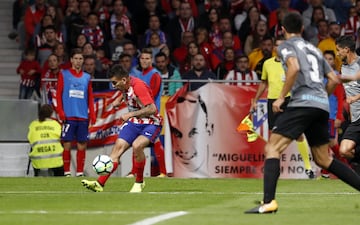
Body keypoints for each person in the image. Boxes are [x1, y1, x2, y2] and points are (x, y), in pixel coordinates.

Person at [245, 12, 360, 214]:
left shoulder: (286, 46)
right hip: (320, 106)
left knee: (272, 148)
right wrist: (322, 98)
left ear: (283, 29)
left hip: (301, 104)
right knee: (324, 160)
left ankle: (268, 202)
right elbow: (333, 79)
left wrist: (281, 97)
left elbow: (294, 67)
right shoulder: (315, 50)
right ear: (303, 29)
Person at [81, 64, 163, 192]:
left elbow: (152, 109)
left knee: (137, 146)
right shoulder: (126, 84)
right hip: (134, 122)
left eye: (115, 83)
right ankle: (99, 184)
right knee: (116, 151)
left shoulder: (139, 86)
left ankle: (139, 182)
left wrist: (130, 114)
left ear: (124, 80)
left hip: (151, 122)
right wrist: (118, 100)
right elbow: (126, 91)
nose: (113, 86)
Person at [250, 36, 315, 179]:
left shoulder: (293, 63)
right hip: (272, 100)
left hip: (289, 99)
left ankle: (308, 168)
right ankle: (274, 171)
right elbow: (263, 83)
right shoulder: (267, 63)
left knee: (298, 134)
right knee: (274, 137)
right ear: (275, 48)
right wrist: (255, 100)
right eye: (277, 46)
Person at [55, 48, 96, 177]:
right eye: (76, 58)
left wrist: (92, 114)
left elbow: (90, 97)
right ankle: (67, 172)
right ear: (71, 60)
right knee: (66, 143)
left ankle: (79, 172)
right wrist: (60, 111)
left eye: (80, 59)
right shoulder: (64, 74)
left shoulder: (87, 77)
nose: (78, 61)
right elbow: (58, 94)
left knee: (82, 144)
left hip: (83, 116)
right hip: (69, 115)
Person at [131, 48, 167, 177]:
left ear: (151, 60)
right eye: (142, 58)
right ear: (139, 60)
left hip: (151, 114)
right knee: (136, 141)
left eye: (147, 58)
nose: (144, 61)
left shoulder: (155, 75)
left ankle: (162, 171)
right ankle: (134, 171)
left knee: (154, 141)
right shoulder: (138, 74)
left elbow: (152, 94)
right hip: (141, 113)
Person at [336, 36, 360, 165]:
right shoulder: (343, 68)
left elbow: (353, 95)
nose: (337, 53)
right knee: (344, 150)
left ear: (346, 49)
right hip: (355, 120)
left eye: (338, 50)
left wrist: (356, 98)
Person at [27, 104, 64, 176]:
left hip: (38, 160)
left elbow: (30, 139)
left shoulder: (33, 125)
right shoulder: (56, 124)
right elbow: (62, 138)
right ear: (51, 114)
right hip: (55, 160)